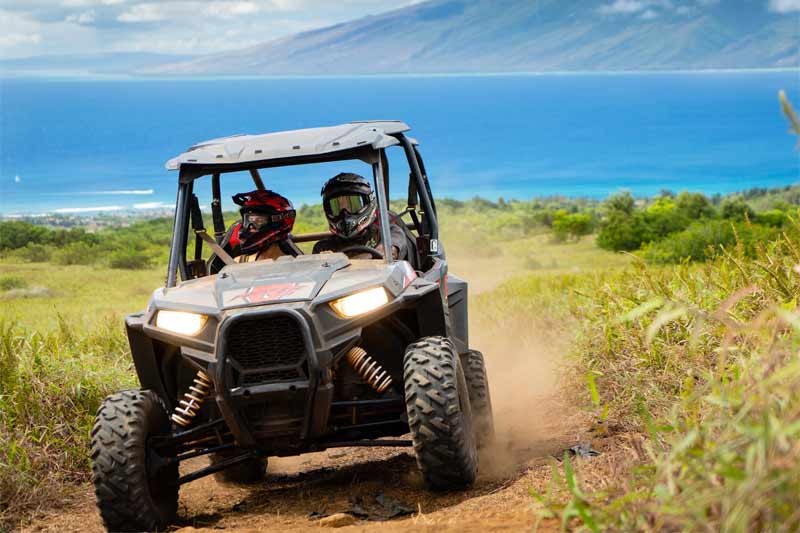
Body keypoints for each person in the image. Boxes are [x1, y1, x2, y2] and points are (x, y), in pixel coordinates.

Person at [313, 172, 409, 260]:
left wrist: (338, 262)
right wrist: (323, 261)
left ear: (368, 203)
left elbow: (388, 252)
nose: (344, 214)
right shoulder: (323, 247)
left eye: (353, 205)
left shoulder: (389, 233)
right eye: (336, 207)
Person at [230, 189, 300, 262]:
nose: (250, 227)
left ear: (278, 222)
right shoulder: (239, 262)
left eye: (259, 221)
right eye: (247, 221)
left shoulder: (294, 264)